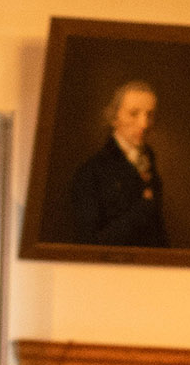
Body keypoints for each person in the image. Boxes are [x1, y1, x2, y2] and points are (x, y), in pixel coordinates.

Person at [60, 80, 171, 248]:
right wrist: (143, 209)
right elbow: (89, 243)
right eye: (134, 114)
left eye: (149, 115)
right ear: (114, 117)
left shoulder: (149, 163)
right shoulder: (91, 172)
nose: (144, 124)